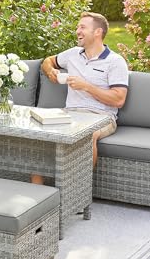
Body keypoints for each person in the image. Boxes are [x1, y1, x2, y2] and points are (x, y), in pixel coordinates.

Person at [36, 11, 129, 184]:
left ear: (98, 32)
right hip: (70, 113)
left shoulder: (115, 61)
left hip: (101, 117)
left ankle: (77, 191)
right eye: (78, 27)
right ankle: (37, 191)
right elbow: (48, 61)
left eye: (82, 27)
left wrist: (86, 86)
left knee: (86, 135)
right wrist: (51, 71)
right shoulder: (73, 54)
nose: (77, 31)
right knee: (40, 131)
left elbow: (118, 100)